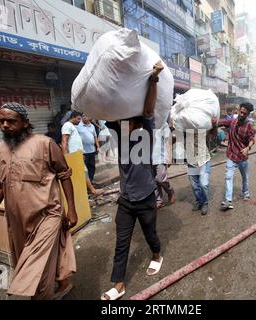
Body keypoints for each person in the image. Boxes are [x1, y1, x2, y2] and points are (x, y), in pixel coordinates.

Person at [0, 102, 77, 300]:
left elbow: (64, 175)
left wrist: (71, 209)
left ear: (25, 122)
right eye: (1, 121)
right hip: (18, 221)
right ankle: (64, 282)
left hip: (47, 215)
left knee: (37, 271)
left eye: (11, 121)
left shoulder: (45, 144)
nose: (4, 125)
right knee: (31, 260)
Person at [102, 62, 164, 300]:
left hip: (146, 196)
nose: (127, 127)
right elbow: (106, 112)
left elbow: (148, 110)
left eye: (132, 123)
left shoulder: (145, 132)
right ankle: (118, 284)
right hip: (126, 199)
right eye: (124, 124)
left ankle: (157, 255)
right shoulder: (120, 133)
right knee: (121, 242)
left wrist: (153, 79)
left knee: (150, 235)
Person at [218, 103, 256, 211]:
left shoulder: (249, 125)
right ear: (238, 111)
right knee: (228, 177)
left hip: (242, 157)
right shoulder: (233, 122)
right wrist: (215, 121)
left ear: (248, 114)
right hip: (231, 155)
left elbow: (252, 139)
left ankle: (246, 193)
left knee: (245, 177)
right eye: (241, 112)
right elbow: (223, 122)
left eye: (245, 113)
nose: (242, 114)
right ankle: (228, 200)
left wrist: (247, 148)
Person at [61, 111, 103, 197]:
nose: (79, 121)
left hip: (77, 155)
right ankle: (92, 190)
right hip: (73, 156)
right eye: (78, 119)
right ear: (73, 117)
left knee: (82, 173)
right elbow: (64, 141)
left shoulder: (72, 126)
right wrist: (66, 157)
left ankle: (84, 192)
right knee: (84, 172)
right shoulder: (67, 125)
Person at [153, 120, 175, 210]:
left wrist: (169, 157)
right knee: (153, 181)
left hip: (160, 157)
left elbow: (168, 141)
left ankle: (170, 191)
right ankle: (159, 201)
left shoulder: (162, 123)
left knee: (160, 179)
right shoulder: (143, 123)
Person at [77, 114, 100, 183]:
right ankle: (86, 184)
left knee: (92, 167)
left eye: (86, 116)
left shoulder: (92, 126)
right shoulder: (77, 126)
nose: (84, 117)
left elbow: (95, 137)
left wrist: (98, 146)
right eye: (83, 116)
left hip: (92, 150)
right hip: (83, 152)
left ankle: (91, 181)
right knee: (84, 169)